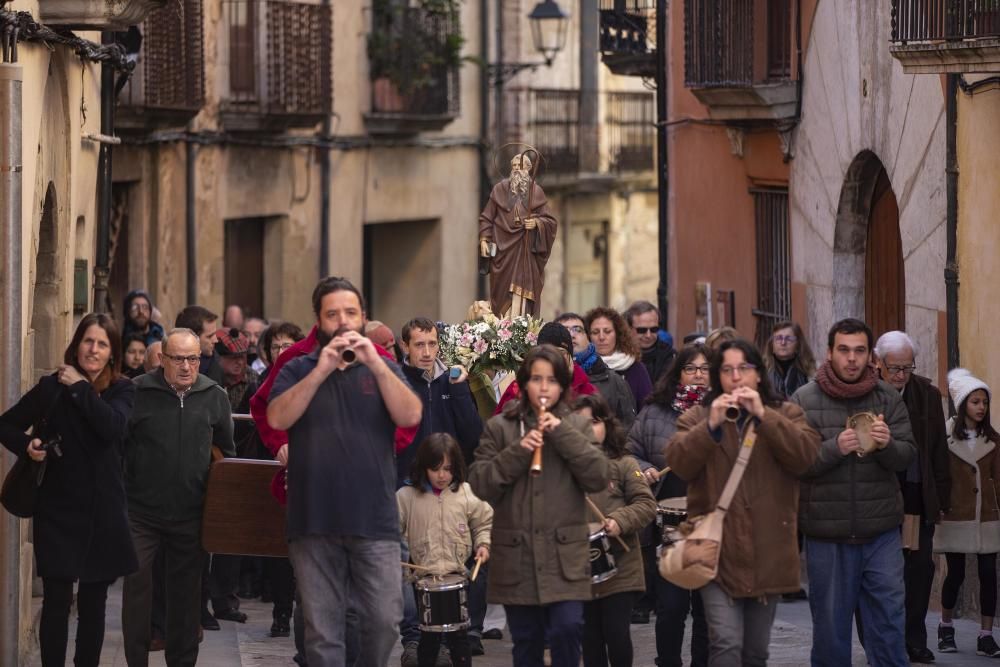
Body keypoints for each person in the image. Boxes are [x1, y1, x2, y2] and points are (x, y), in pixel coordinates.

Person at [267, 277, 422, 666]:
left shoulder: (383, 366)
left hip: (375, 520)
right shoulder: (298, 367)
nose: (342, 321)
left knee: (386, 620)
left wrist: (376, 363)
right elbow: (276, 416)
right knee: (323, 634)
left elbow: (411, 415)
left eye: (350, 312)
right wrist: (320, 370)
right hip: (314, 520)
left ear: (363, 316)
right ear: (319, 321)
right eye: (332, 314)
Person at [666, 338, 820, 666]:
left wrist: (765, 415)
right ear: (717, 377)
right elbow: (679, 463)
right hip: (716, 553)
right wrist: (710, 427)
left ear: (759, 375)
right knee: (725, 644)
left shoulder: (787, 413)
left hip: (768, 551)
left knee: (754, 653)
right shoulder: (696, 417)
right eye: (727, 370)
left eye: (744, 369)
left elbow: (805, 458)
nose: (736, 377)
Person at [0, 314, 137, 667]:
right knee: (57, 602)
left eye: (102, 344)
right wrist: (28, 444)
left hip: (102, 514)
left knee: (93, 604)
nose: (93, 349)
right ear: (76, 344)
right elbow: (6, 425)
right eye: (88, 341)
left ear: (112, 353)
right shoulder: (50, 388)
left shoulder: (122, 389)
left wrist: (80, 387)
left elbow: (111, 428)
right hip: (57, 510)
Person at [469, 345, 609, 667]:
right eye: (536, 379)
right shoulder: (500, 427)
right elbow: (480, 483)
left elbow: (599, 477)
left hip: (565, 559)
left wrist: (563, 435)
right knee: (527, 643)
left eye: (551, 380)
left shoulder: (577, 425)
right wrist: (518, 451)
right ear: (523, 383)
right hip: (518, 559)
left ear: (562, 385)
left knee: (567, 628)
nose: (544, 388)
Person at [790, 318, 917, 667]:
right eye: (843, 350)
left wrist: (888, 444)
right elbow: (793, 462)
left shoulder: (887, 397)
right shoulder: (804, 398)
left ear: (870, 356)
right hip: (827, 536)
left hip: (881, 534)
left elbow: (907, 455)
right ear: (830, 353)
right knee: (831, 634)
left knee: (889, 624)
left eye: (859, 351)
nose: (851, 359)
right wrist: (834, 448)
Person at [121, 327, 236, 667]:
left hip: (191, 514)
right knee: (138, 587)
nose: (186, 366)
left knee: (186, 598)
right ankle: (135, 660)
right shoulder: (138, 391)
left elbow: (224, 453)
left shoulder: (215, 395)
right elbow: (119, 446)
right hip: (141, 513)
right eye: (178, 359)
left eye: (193, 359)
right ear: (162, 359)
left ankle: (182, 661)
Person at [626, 343, 711, 664]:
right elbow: (629, 450)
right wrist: (643, 469)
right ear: (677, 374)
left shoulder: (723, 411)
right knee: (671, 608)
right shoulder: (655, 412)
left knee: (706, 608)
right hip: (668, 525)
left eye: (705, 369)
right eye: (691, 369)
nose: (698, 376)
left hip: (709, 522)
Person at [873, 331, 950, 663]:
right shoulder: (867, 394)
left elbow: (937, 451)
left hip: (915, 499)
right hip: (876, 499)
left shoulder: (927, 395)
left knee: (917, 571)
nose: (901, 375)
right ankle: (881, 641)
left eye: (907, 368)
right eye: (895, 369)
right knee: (880, 576)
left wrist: (942, 500)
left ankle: (915, 639)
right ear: (879, 365)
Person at [574, 393, 656, 667]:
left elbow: (646, 504)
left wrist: (619, 520)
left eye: (595, 421)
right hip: (581, 570)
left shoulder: (624, 463)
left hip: (621, 569)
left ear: (607, 424)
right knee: (590, 640)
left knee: (616, 635)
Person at [397, 433, 493, 667]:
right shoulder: (406, 497)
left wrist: (483, 544)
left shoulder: (467, 493)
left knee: (460, 638)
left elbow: (484, 522)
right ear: (423, 467)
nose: (442, 475)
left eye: (448, 469)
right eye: (436, 468)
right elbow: (392, 531)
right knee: (428, 640)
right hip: (424, 580)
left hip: (457, 577)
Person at [934, 369, 1000, 657]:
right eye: (975, 401)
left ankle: (986, 635)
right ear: (962, 405)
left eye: (984, 402)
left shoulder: (995, 441)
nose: (981, 407)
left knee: (988, 574)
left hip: (987, 516)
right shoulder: (945, 438)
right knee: (956, 573)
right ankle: (945, 626)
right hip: (955, 515)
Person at [396, 317, 483, 484]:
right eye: (419, 345)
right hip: (407, 484)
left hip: (450, 484)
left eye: (432, 344)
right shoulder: (396, 383)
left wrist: (459, 390)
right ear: (405, 346)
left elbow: (474, 437)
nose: (427, 353)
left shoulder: (451, 381)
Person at [478, 152, 558, 317]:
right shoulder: (499, 190)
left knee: (523, 295)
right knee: (500, 294)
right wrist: (484, 240)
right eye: (513, 166)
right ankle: (501, 326)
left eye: (519, 166)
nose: (516, 170)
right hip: (502, 251)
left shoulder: (536, 192)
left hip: (525, 251)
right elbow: (487, 217)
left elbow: (550, 221)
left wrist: (537, 223)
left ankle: (520, 326)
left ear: (528, 169)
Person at [495, 321, 597, 414]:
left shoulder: (586, 390)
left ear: (570, 355)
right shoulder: (519, 388)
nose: (554, 358)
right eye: (547, 353)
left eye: (561, 353)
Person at [556, 313, 636, 429]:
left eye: (577, 330)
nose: (571, 335)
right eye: (564, 330)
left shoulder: (614, 381)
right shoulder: (545, 379)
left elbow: (629, 429)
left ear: (588, 338)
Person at [585, 307, 653, 412]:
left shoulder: (636, 368)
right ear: (588, 336)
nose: (602, 337)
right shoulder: (582, 368)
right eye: (595, 332)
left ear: (618, 334)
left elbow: (647, 411)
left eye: (607, 331)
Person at [624, 300, 676, 386]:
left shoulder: (670, 356)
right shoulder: (618, 355)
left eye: (653, 329)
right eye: (642, 330)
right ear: (628, 329)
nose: (648, 335)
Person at [763, 321, 816, 399]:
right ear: (772, 343)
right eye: (778, 338)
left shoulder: (810, 371)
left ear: (798, 344)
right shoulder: (762, 369)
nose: (783, 343)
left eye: (789, 339)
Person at [175, 305, 223, 384]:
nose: (215, 340)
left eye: (215, 334)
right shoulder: (169, 366)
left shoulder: (220, 366)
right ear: (192, 338)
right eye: (209, 336)